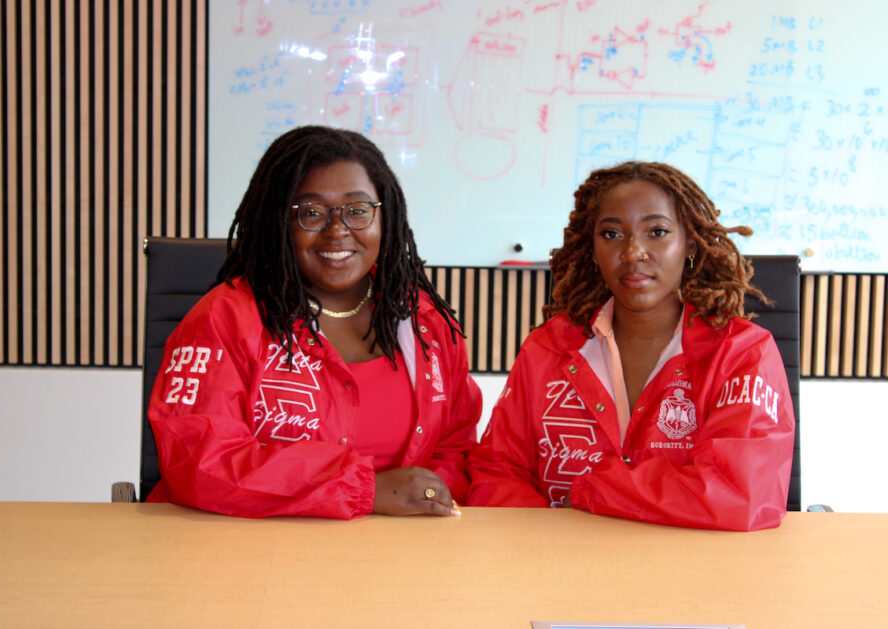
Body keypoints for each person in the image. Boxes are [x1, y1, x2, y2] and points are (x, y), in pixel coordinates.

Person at [146, 126, 481, 519]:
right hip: (240, 552)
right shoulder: (223, 319)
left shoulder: (427, 323)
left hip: (396, 555)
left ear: (384, 217)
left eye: (357, 210)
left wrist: (428, 499)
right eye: (311, 213)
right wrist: (363, 492)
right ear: (279, 223)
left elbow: (454, 449)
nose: (337, 230)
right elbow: (200, 463)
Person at [467, 161, 795, 531]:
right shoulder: (549, 348)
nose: (633, 252)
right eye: (611, 234)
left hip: (696, 576)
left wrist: (593, 490)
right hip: (561, 571)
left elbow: (740, 494)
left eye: (657, 231)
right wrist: (548, 545)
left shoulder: (740, 353)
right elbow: (496, 471)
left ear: (689, 241)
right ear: (591, 248)